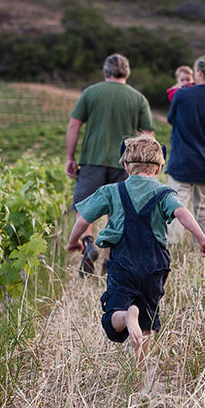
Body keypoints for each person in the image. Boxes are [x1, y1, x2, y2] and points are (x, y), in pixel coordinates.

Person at [66, 135, 205, 365]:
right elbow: (182, 213)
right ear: (158, 169)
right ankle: (140, 366)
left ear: (125, 166)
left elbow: (83, 220)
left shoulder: (112, 191)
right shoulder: (165, 193)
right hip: (154, 263)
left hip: (122, 262)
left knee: (112, 316)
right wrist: (202, 239)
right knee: (146, 318)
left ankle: (126, 316)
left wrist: (73, 241)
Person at [65, 53, 155, 276]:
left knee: (85, 206)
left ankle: (88, 243)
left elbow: (74, 126)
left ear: (105, 72)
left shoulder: (91, 93)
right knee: (118, 211)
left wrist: (70, 157)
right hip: (125, 164)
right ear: (127, 73)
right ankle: (108, 261)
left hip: (92, 161)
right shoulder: (138, 99)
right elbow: (149, 135)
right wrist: (147, 168)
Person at [166, 55, 205, 244]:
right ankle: (201, 253)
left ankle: (172, 254)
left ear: (198, 72)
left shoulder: (181, 94)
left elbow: (170, 119)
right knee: (203, 214)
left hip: (182, 160)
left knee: (174, 209)